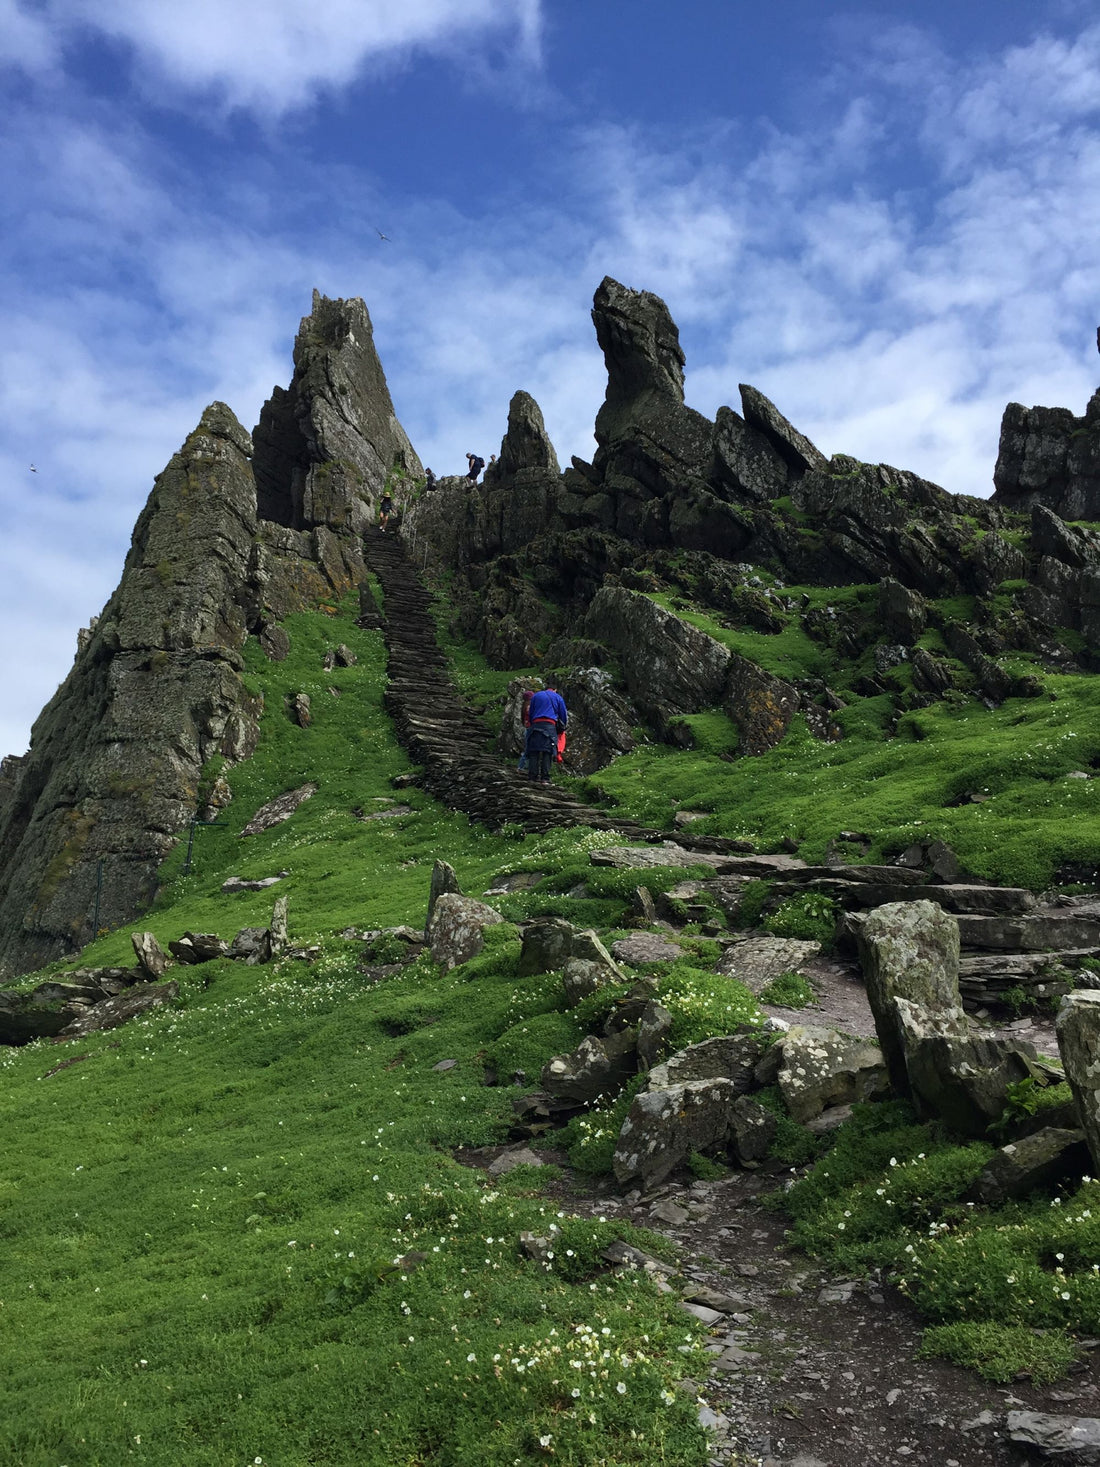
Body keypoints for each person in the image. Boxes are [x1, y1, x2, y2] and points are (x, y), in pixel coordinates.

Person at [524, 683, 567, 785]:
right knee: (547, 752)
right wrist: (562, 726)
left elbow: (531, 712)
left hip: (535, 725)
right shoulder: (558, 697)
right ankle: (545, 778)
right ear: (555, 689)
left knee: (534, 751)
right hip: (549, 726)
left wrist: (531, 723)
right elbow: (563, 714)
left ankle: (532, 777)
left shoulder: (536, 696)